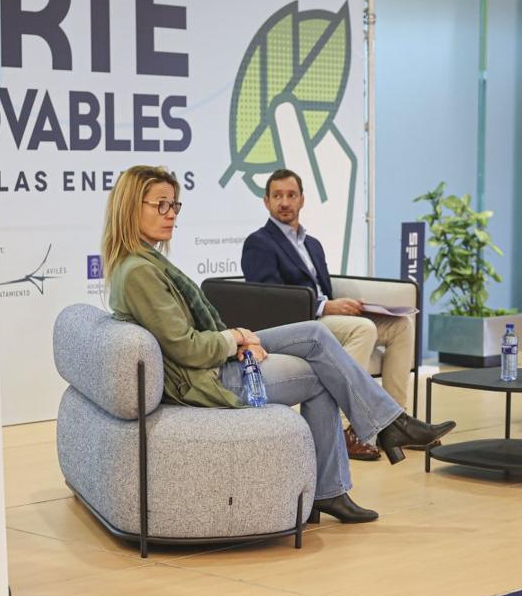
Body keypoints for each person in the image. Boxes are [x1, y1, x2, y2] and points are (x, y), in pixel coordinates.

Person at [103, 165, 454, 523]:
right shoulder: (140, 272)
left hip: (211, 360)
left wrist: (236, 340)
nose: (171, 214)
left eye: (174, 205)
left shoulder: (143, 262)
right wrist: (236, 339)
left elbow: (186, 337)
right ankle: (335, 485)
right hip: (205, 379)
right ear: (132, 206)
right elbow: (188, 349)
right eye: (160, 205)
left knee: (318, 336)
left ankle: (386, 427)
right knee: (322, 376)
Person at [241, 168, 415, 462]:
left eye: (291, 195)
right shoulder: (259, 242)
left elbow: (323, 287)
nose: (284, 202)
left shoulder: (313, 244)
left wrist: (353, 305)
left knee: (401, 325)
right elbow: (269, 299)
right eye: (277, 196)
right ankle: (353, 430)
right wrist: (324, 307)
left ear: (302, 200)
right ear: (266, 202)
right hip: (296, 324)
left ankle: (395, 421)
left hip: (325, 318)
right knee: (363, 330)